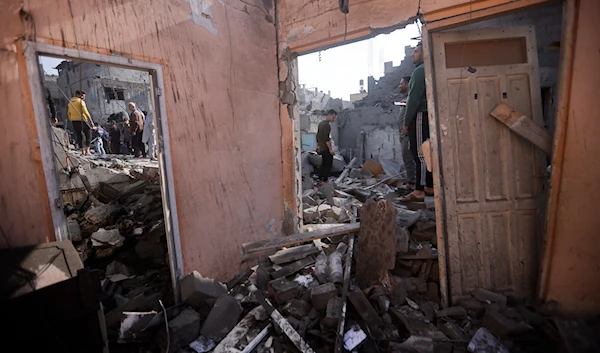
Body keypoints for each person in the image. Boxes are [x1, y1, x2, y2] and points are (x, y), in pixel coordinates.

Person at [400, 43, 433, 202]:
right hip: (428, 115)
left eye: (416, 51)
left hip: (420, 115)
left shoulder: (419, 71)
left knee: (419, 153)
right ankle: (428, 185)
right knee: (426, 152)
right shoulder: (429, 68)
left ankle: (419, 190)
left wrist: (406, 123)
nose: (412, 54)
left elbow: (413, 99)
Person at [398, 76, 416, 190]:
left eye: (401, 83)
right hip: (403, 135)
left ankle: (413, 184)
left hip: (408, 134)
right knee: (406, 157)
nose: (399, 86)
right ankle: (412, 182)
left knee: (409, 158)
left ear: (408, 84)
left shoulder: (412, 98)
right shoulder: (406, 99)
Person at [67, 90, 94, 155]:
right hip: (82, 120)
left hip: (74, 121)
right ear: (77, 95)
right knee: (88, 134)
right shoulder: (81, 102)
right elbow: (86, 112)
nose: (83, 97)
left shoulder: (70, 103)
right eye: (82, 96)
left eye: (84, 96)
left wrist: (71, 119)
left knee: (79, 136)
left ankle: (82, 151)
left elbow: (69, 113)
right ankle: (87, 151)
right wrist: (91, 122)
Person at [316, 110, 337, 182]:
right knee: (328, 164)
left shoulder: (321, 124)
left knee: (323, 163)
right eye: (333, 117)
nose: (334, 119)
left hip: (322, 148)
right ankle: (324, 180)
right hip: (326, 148)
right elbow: (326, 138)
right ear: (329, 115)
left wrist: (318, 146)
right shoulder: (327, 125)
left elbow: (317, 136)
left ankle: (320, 178)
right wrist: (330, 149)